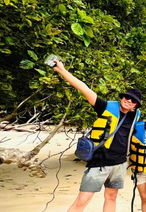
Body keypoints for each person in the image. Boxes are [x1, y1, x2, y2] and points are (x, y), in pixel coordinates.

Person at [53, 60, 141, 212]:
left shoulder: (134, 117)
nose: (129, 101)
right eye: (127, 97)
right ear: (122, 97)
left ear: (135, 106)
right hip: (99, 162)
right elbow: (84, 88)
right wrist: (61, 70)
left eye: (133, 101)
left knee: (111, 197)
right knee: (83, 200)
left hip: (119, 164)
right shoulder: (105, 107)